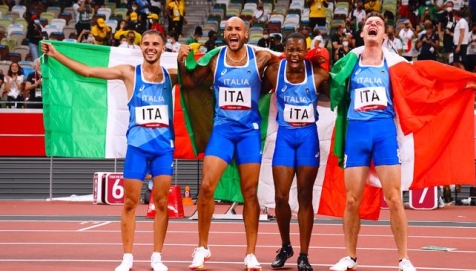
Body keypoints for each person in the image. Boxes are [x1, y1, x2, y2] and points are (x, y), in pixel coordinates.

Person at [41, 30, 177, 271]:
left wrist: (189, 57)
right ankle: (127, 257)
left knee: (162, 202)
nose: (151, 47)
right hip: (137, 147)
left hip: (163, 149)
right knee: (130, 203)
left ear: (163, 48)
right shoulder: (128, 72)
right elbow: (89, 71)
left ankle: (157, 257)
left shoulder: (171, 75)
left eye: (156, 43)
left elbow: (201, 75)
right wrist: (57, 54)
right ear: (140, 47)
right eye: (146, 43)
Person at [177, 17, 281, 271]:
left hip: (248, 132)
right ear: (225, 35)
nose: (233, 33)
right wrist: (181, 62)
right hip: (223, 131)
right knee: (206, 187)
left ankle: (250, 254)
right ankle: (202, 248)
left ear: (246, 34)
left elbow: (282, 70)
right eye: (229, 30)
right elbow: (190, 83)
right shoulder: (215, 59)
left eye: (238, 29)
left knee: (250, 193)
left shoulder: (261, 58)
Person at [329, 12, 417, 271]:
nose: (373, 25)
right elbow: (331, 83)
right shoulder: (349, 62)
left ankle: (404, 258)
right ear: (362, 32)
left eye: (378, 24)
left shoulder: (395, 64)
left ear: (385, 35)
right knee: (352, 200)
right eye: (369, 23)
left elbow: (423, 83)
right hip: (356, 132)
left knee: (394, 198)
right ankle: (350, 257)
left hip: (384, 133)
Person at [263, 33, 329, 271]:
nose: (294, 55)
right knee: (280, 198)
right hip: (285, 137)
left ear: (306, 51)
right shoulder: (274, 73)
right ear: (285, 50)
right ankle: (286, 245)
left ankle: (304, 254)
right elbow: (255, 87)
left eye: (299, 50)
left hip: (308, 139)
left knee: (304, 197)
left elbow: (337, 95)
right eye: (290, 50)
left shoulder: (319, 75)